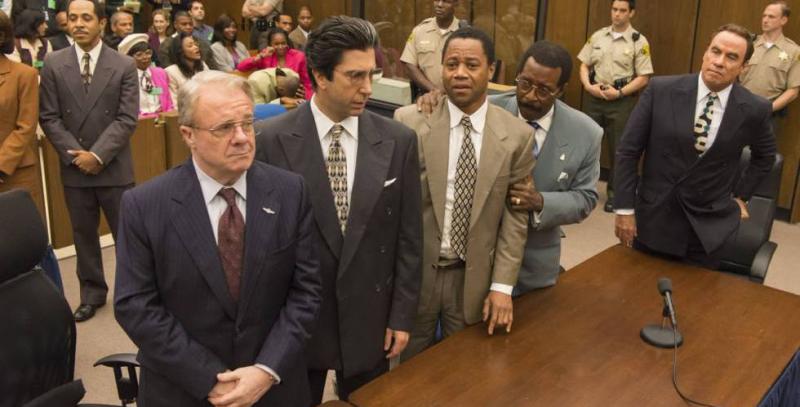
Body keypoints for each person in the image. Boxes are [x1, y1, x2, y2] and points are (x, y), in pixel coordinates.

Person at [114, 70, 323, 407]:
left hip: (274, 388)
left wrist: (265, 370)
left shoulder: (290, 191)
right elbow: (136, 306)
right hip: (183, 391)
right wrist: (209, 379)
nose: (242, 138)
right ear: (188, 134)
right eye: (224, 128)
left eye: (247, 123)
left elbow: (306, 292)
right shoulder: (144, 205)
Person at [255, 16, 422, 404]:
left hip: (370, 315)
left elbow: (409, 238)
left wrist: (401, 316)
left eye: (372, 74)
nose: (368, 88)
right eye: (355, 76)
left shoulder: (398, 140)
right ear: (320, 75)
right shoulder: (270, 141)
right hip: (297, 320)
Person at [394, 26, 534, 360]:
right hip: (416, 278)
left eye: (471, 65)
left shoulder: (517, 136)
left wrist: (502, 286)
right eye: (451, 64)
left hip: (473, 280)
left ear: (491, 70)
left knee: (466, 369)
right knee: (407, 370)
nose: (459, 73)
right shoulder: (408, 122)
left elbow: (515, 219)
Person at [614, 24, 777, 269]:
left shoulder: (755, 108)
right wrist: (624, 209)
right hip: (655, 218)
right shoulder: (661, 90)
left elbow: (765, 157)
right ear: (705, 53)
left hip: (707, 228)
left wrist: (741, 196)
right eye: (715, 51)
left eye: (731, 57)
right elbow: (628, 151)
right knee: (640, 287)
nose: (719, 62)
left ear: (743, 67)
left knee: (697, 293)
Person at [39, 0, 138, 322]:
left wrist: (97, 155)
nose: (78, 24)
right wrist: (78, 157)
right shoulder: (53, 63)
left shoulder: (123, 64)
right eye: (73, 18)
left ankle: (134, 293)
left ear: (102, 23)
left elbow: (126, 118)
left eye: (86, 18)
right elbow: (49, 117)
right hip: (75, 167)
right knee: (83, 236)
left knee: (128, 236)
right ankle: (92, 294)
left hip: (113, 166)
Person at [491, 41, 602, 294]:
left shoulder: (586, 133)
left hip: (535, 263)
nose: (531, 96)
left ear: (561, 90)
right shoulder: (488, 110)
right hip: (478, 259)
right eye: (525, 84)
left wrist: (540, 201)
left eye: (544, 90)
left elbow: (585, 198)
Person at [578, 0, 653, 213]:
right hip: (595, 97)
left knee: (620, 149)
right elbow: (584, 64)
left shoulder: (638, 41)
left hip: (621, 101)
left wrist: (619, 93)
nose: (617, 14)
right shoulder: (598, 36)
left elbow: (644, 77)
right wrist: (588, 86)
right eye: (614, 9)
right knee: (584, 143)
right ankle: (579, 188)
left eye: (622, 10)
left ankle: (615, 194)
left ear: (631, 13)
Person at [0, 10, 45, 218]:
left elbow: (26, 126)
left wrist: (1, 164)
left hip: (14, 173)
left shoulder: (24, 75)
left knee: (19, 231)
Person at [740, 0, 800, 136]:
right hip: (739, 109)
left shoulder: (794, 52)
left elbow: (793, 91)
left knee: (760, 149)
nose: (765, 20)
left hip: (767, 115)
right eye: (764, 16)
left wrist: (768, 109)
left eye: (771, 17)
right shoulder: (749, 44)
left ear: (783, 20)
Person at [400, 0, 463, 98]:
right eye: (437, 0)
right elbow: (409, 65)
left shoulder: (464, 32)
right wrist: (434, 90)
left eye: (446, 1)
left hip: (456, 98)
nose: (440, 5)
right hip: (426, 97)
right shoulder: (420, 30)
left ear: (456, 3)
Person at [237, 27, 312, 99]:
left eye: (283, 43)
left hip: (294, 96)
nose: (280, 47)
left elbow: (308, 82)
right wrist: (260, 56)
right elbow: (241, 67)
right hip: (271, 98)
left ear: (287, 43)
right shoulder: (266, 56)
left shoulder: (299, 56)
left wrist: (306, 96)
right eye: (276, 44)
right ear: (270, 45)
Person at [118, 33, 174, 118]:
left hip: (163, 119)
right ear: (129, 57)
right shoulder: (125, 78)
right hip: (139, 121)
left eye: (148, 53)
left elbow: (168, 100)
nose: (145, 57)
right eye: (139, 55)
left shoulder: (160, 73)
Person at [165, 31, 207, 107]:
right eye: (190, 46)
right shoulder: (171, 71)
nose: (196, 47)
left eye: (196, 44)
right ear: (181, 51)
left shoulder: (203, 65)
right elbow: (174, 102)